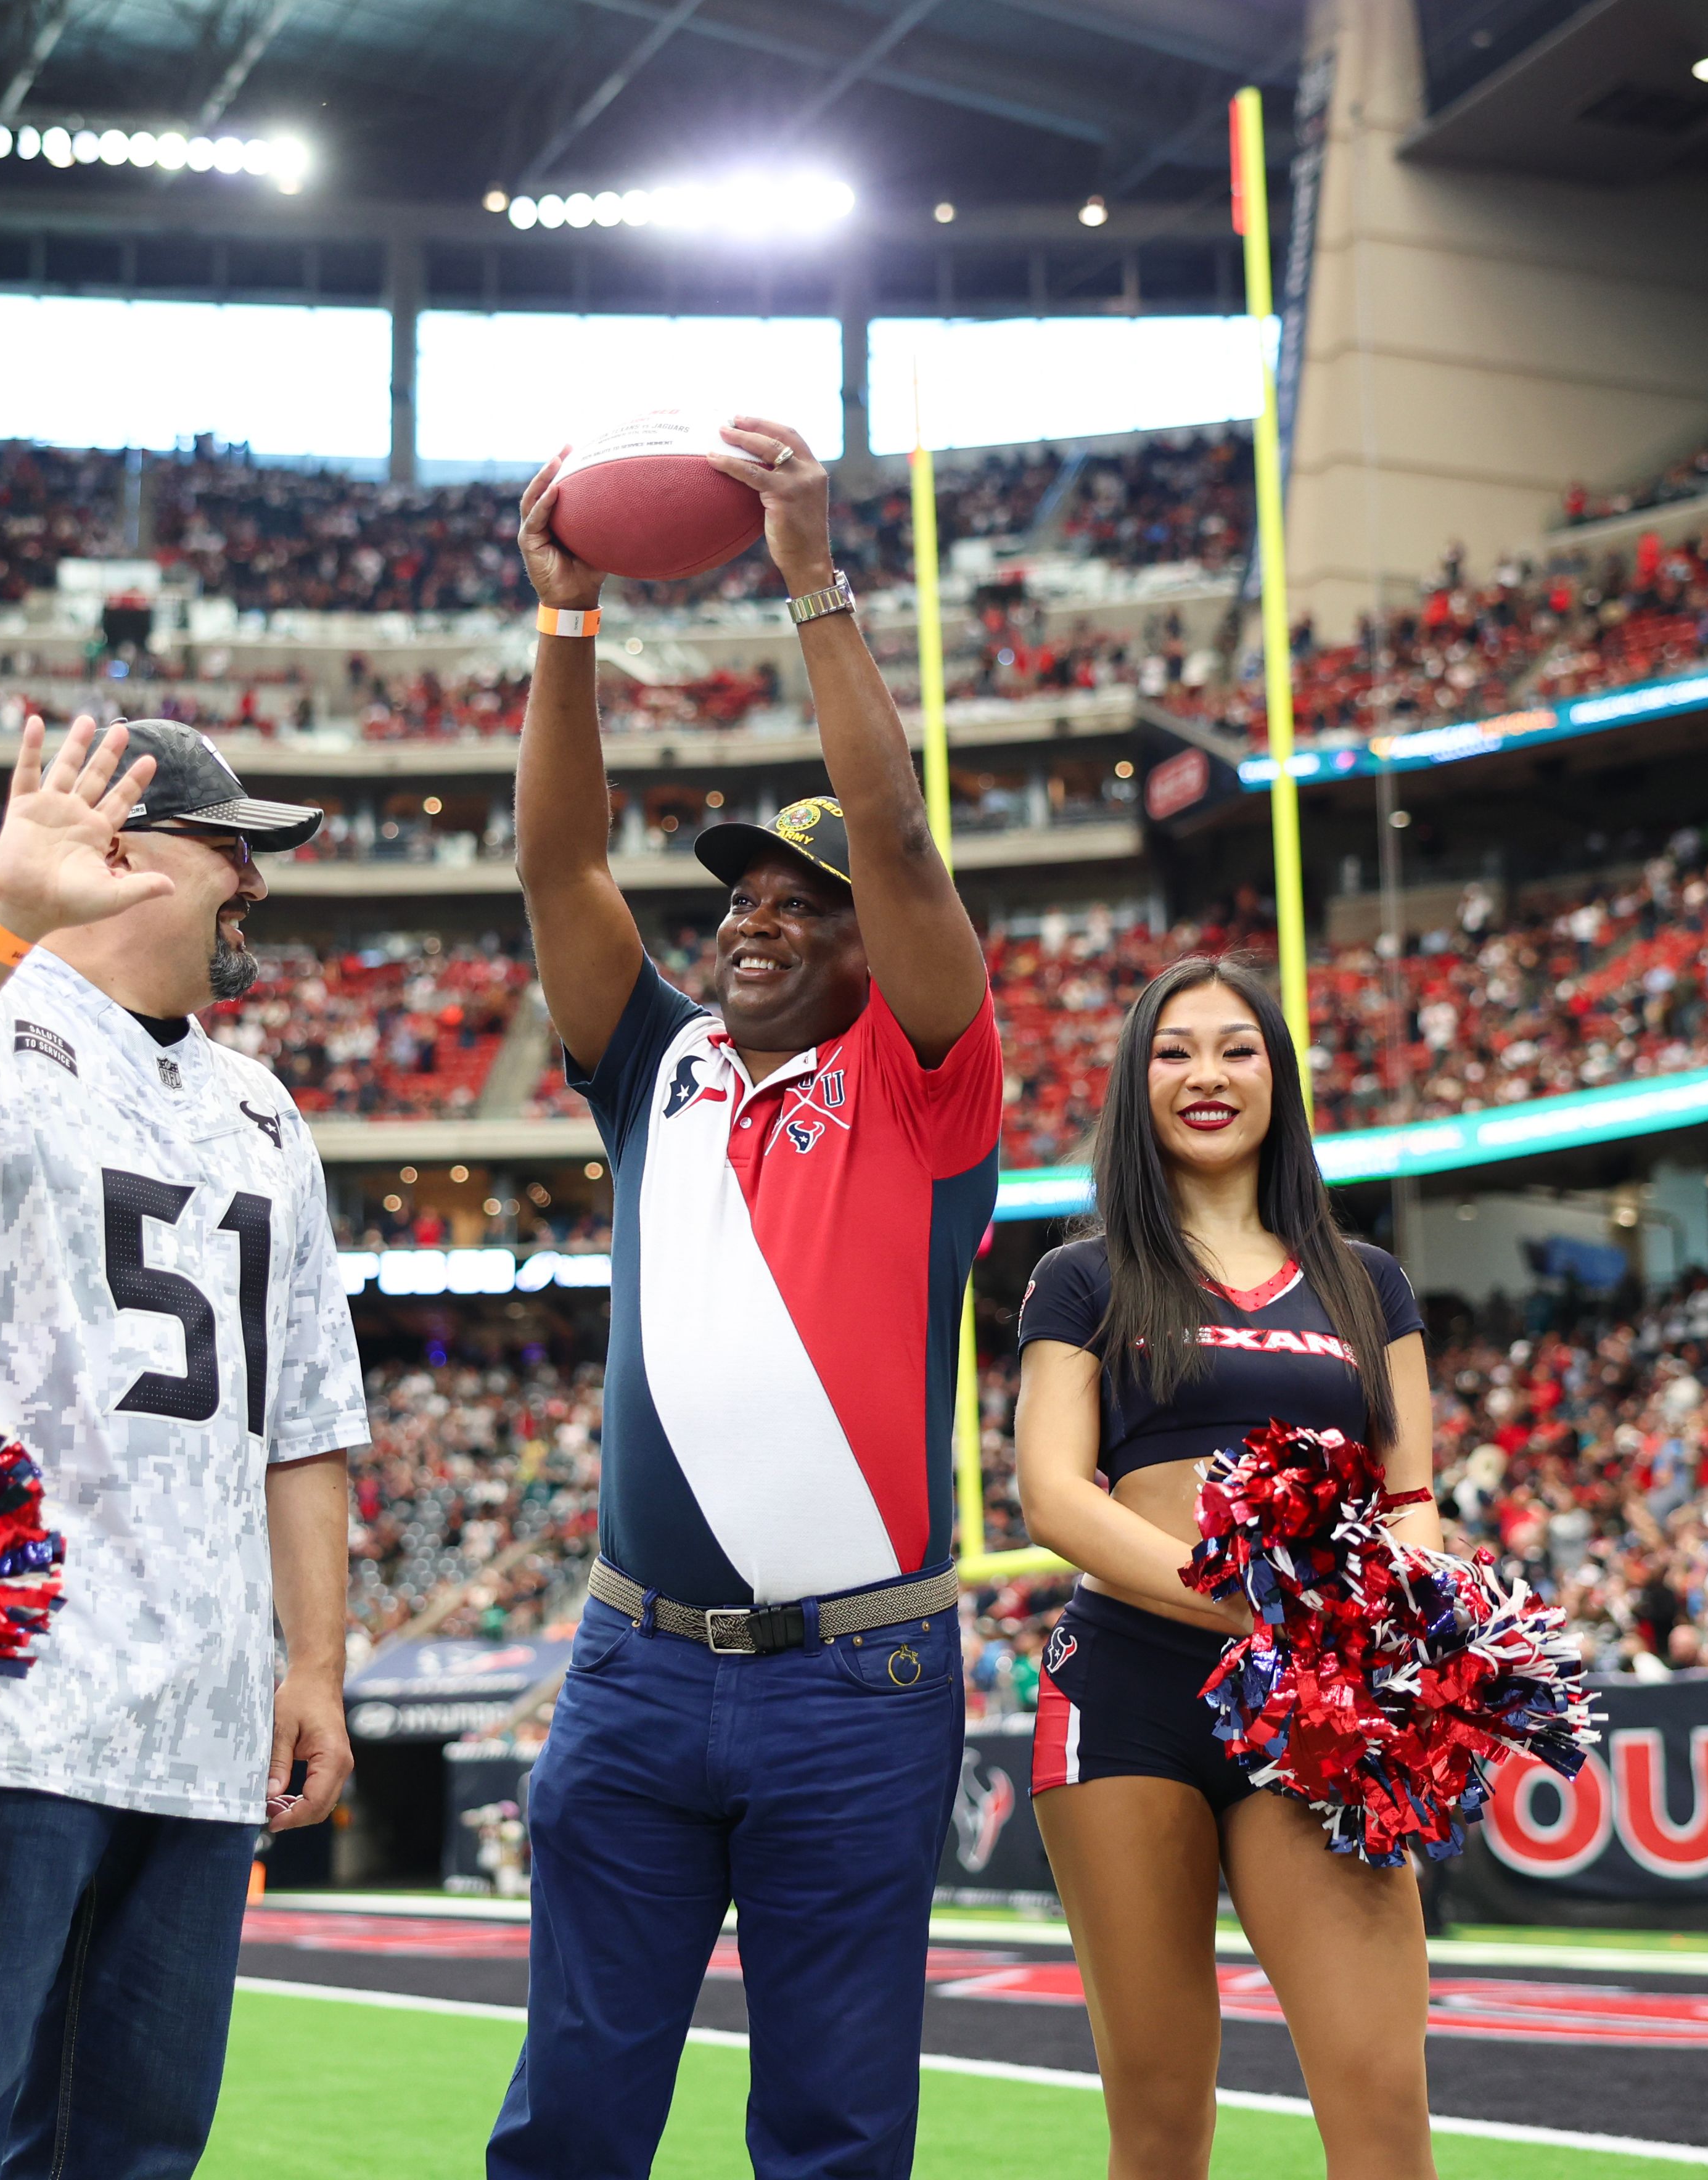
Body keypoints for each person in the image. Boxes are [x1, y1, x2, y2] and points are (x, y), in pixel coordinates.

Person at [493, 418, 1002, 2180]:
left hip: (855, 1680)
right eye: (745, 901)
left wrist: (811, 586)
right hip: (634, 1665)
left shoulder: (928, 1087)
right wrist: (566, 631)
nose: (759, 925)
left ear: (875, 949)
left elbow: (906, 847)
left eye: (808, 906)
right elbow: (565, 872)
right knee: (569, 2114)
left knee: (837, 2126)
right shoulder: (661, 1068)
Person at [0, 712, 367, 2179]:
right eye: (232, 847)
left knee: (132, 2152)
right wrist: (0, 910)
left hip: (192, 1718)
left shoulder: (262, 1110)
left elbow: (302, 1418)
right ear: (120, 850)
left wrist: (314, 1666)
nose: (258, 884)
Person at [1012, 956, 1438, 2180]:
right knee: (1160, 2123)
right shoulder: (1081, 1276)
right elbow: (1050, 1494)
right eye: (1174, 1048)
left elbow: (1412, 1498)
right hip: (1129, 1692)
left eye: (1237, 1047)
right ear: (1136, 1081)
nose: (1206, 1073)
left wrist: (1388, 1622)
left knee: (1382, 2103)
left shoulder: (1371, 1282)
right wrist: (1251, 1595)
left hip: (1319, 1700)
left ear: (1279, 1076)